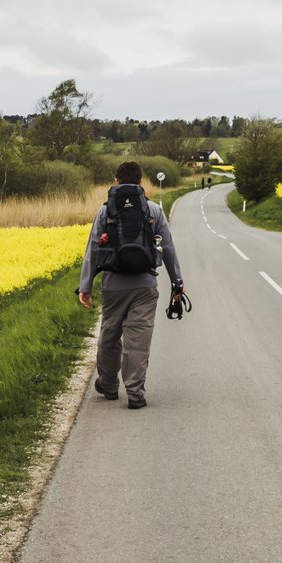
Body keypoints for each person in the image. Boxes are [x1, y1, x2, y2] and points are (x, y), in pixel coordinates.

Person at [78, 162, 183, 409]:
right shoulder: (153, 211)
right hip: (146, 285)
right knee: (138, 340)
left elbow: (93, 249)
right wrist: (177, 282)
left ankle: (109, 385)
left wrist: (86, 286)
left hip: (114, 285)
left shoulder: (106, 212)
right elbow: (168, 248)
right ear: (141, 183)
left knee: (110, 334)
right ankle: (135, 393)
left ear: (116, 181)